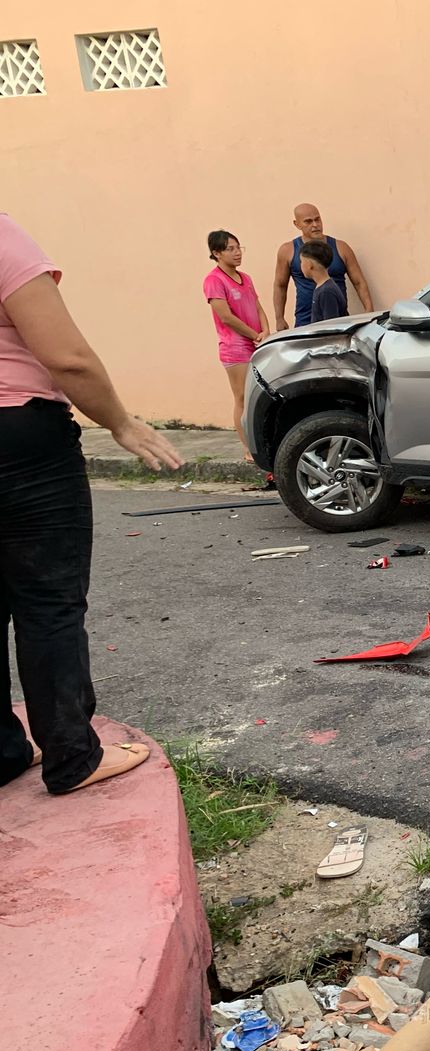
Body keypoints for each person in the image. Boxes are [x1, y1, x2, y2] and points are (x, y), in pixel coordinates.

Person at [1, 213, 184, 794]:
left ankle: (3, 749)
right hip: (20, 443)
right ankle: (72, 755)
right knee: (48, 602)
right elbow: (67, 356)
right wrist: (121, 423)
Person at [203, 230, 270, 450]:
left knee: (259, 396)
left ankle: (260, 443)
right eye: (230, 249)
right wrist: (254, 334)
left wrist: (266, 331)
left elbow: (257, 307)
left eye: (238, 248)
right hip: (235, 347)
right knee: (243, 397)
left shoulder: (245, 278)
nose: (237, 253)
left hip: (256, 344)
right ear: (217, 253)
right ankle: (248, 448)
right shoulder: (214, 280)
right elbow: (226, 317)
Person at [273, 203, 373, 329]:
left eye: (317, 219)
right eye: (308, 222)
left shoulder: (341, 248)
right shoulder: (288, 250)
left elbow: (359, 282)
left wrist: (369, 310)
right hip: (305, 322)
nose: (315, 225)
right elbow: (280, 285)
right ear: (297, 224)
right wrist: (279, 318)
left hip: (339, 321)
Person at [299, 239, 349, 323]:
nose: (301, 265)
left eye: (301, 262)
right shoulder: (323, 288)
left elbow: (330, 327)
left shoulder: (326, 291)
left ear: (309, 265)